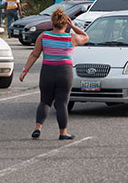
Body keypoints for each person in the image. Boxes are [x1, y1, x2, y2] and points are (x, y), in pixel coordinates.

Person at [20, 8, 89, 140]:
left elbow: (34, 54)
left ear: (52, 23)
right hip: (64, 72)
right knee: (62, 103)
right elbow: (86, 37)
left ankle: (37, 128)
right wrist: (74, 26)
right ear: (65, 23)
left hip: (47, 71)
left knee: (45, 101)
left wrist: (25, 71)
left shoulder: (43, 36)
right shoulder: (71, 38)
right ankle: (63, 133)